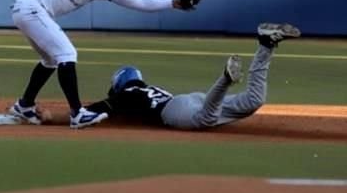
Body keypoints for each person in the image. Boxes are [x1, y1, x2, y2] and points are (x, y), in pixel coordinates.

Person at [0, 0, 199, 129]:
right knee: (67, 54)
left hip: (36, 13)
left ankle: (24, 105)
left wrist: (173, 3)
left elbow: (139, 2)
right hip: (31, 6)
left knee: (51, 60)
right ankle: (77, 113)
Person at [77, 24, 301, 131]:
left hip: (177, 110)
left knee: (206, 119)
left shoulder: (129, 93)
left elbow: (105, 106)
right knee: (254, 100)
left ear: (120, 84)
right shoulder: (146, 88)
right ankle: (266, 44)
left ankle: (225, 78)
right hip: (190, 100)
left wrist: (81, 112)